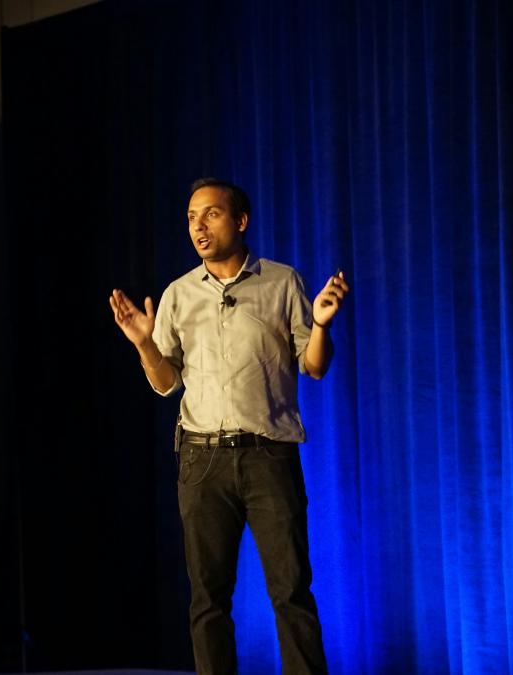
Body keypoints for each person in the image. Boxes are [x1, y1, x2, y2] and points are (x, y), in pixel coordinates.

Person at [108, 178, 348, 674]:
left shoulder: (282, 282)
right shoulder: (177, 294)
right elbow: (165, 383)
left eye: (211, 214)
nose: (198, 226)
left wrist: (320, 325)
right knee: (208, 601)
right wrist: (144, 344)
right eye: (192, 217)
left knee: (291, 592)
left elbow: (315, 366)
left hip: (268, 456)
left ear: (240, 221)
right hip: (202, 460)